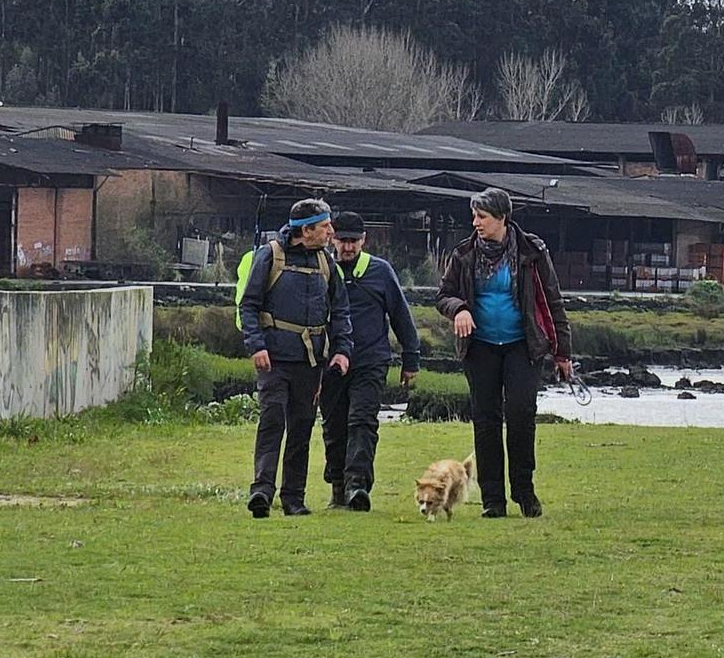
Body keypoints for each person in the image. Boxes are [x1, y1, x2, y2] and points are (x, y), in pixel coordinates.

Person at [437, 188, 573, 519]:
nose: (475, 223)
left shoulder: (533, 252)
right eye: (474, 216)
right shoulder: (463, 253)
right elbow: (444, 295)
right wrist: (459, 310)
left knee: (521, 416)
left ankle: (525, 493)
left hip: (522, 347)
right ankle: (492, 499)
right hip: (480, 347)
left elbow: (552, 300)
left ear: (501, 218)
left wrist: (562, 353)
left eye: (481, 217)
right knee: (485, 422)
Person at [239, 198, 353, 518]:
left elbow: (340, 311)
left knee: (302, 427)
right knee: (272, 420)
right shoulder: (269, 256)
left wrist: (342, 350)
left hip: (311, 362)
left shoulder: (326, 264)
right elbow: (248, 305)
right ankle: (261, 491)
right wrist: (256, 345)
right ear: (306, 231)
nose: (331, 231)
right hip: (273, 358)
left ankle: (294, 498)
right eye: (325, 226)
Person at [318, 211, 422, 512]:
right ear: (332, 239)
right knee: (334, 426)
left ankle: (357, 486)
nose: (347, 247)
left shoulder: (380, 271)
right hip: (331, 362)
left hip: (370, 361)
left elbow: (401, 316)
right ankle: (337, 485)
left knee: (362, 422)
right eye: (342, 241)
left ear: (364, 240)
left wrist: (410, 358)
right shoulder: (322, 270)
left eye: (353, 241)